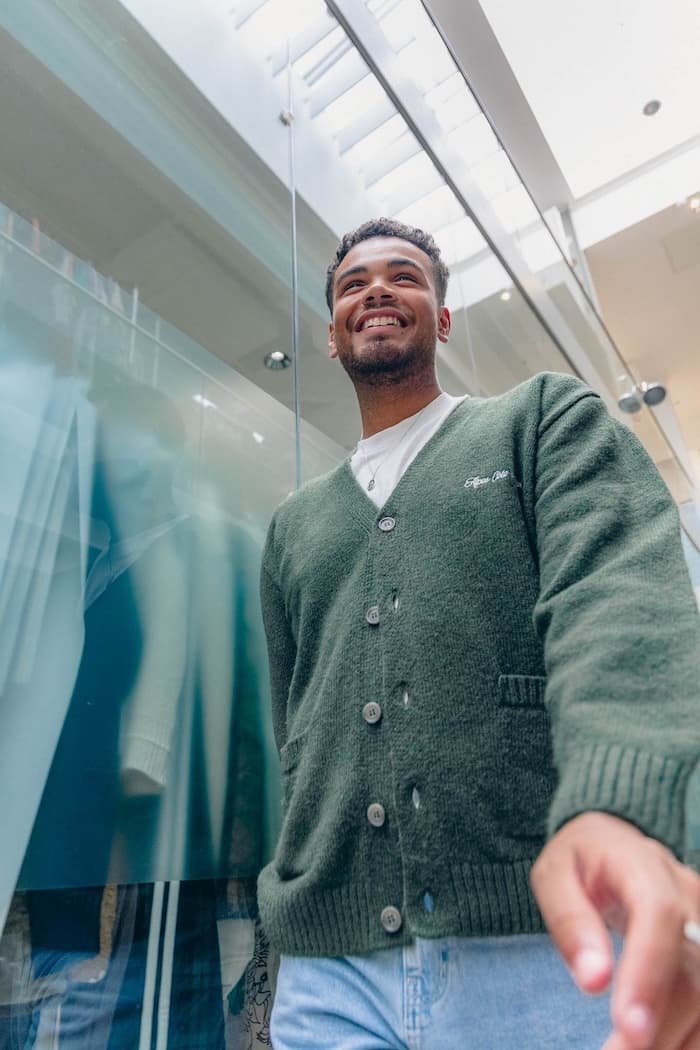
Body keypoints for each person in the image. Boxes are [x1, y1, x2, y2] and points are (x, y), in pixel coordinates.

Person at [257, 218, 700, 1050]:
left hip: (544, 949)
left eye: (404, 277)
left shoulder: (538, 422)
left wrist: (618, 804)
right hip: (329, 971)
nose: (377, 291)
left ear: (443, 318)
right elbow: (298, 720)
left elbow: (613, 600)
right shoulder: (293, 524)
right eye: (354, 284)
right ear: (330, 333)